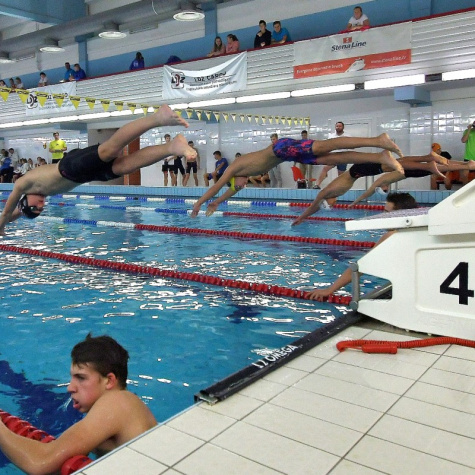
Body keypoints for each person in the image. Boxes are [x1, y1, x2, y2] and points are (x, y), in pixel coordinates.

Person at [0, 104, 194, 234]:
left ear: (23, 202)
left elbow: (8, 212)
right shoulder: (38, 193)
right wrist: (14, 217)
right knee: (125, 166)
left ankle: (157, 118)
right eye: (40, 210)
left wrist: (2, 224)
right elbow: (18, 213)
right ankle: (171, 147)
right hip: (84, 176)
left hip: (69, 166)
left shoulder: (23, 184)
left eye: (35, 207)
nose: (41, 206)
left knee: (110, 149)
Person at [0, 333, 157, 474]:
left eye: (81, 378)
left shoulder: (118, 402)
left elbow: (40, 463)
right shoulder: (124, 406)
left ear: (109, 381)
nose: (70, 387)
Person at [191, 133, 405, 217]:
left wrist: (199, 203)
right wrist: (216, 203)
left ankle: (377, 141)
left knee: (326, 146)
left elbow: (216, 186)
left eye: (239, 185)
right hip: (285, 155)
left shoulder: (234, 168)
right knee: (332, 159)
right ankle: (378, 157)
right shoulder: (241, 176)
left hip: (283, 148)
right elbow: (230, 191)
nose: (241, 185)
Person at [307, 193, 416, 302]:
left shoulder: (392, 235)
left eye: (387, 213)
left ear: (400, 215)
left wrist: (330, 290)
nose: (382, 216)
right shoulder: (415, 231)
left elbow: (362, 265)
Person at [292, 153, 450, 224]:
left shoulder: (326, 192)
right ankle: (428, 158)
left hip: (358, 170)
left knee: (394, 165)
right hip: (359, 171)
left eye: (330, 205)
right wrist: (355, 203)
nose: (334, 205)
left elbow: (314, 206)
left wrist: (301, 217)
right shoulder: (335, 192)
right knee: (397, 162)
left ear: (326, 201)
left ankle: (428, 165)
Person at [313, 121, 350, 189]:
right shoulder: (332, 136)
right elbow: (327, 146)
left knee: (340, 175)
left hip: (343, 157)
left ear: (343, 127)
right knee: (325, 168)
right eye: (337, 126)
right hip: (333, 156)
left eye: (340, 126)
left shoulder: (347, 136)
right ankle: (317, 184)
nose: (338, 127)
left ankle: (339, 187)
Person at [461, 120, 475, 185]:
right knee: (464, 175)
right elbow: (463, 140)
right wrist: (469, 129)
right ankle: (465, 189)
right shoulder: (467, 131)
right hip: (468, 157)